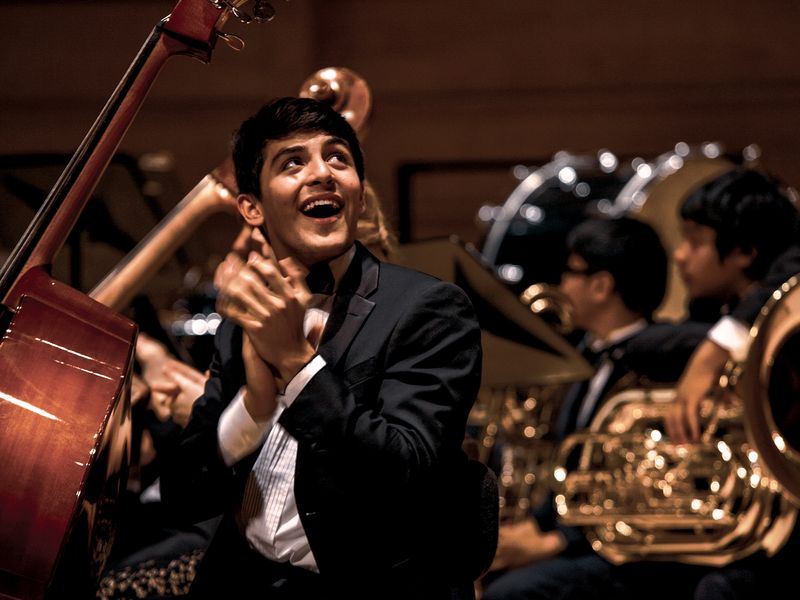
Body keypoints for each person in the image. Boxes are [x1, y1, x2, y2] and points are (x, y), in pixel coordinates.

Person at [160, 96, 489, 599]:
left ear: (358, 191)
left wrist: (295, 364)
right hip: (241, 577)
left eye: (338, 158)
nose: (323, 173)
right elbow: (185, 493)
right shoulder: (246, 311)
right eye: (294, 162)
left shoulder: (430, 308)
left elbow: (405, 472)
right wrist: (254, 404)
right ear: (251, 206)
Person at [482, 215, 670, 600]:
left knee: (508, 593)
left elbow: (637, 488)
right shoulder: (587, 357)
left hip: (622, 553)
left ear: (601, 286)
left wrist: (554, 543)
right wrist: (531, 528)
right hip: (574, 534)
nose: (562, 285)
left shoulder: (656, 367)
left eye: (570, 272)